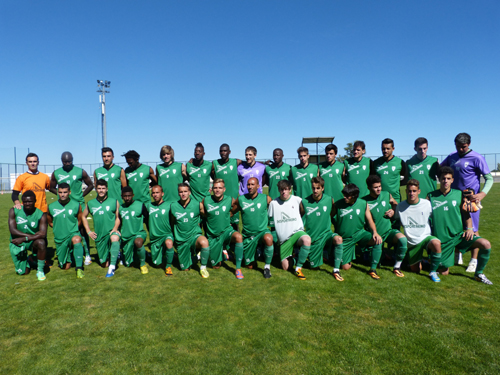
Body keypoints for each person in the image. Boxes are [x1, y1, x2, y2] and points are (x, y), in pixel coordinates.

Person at [428, 167, 492, 284]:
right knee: (444, 272)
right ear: (439, 179)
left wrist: (469, 229)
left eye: (448, 178)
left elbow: (466, 214)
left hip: (459, 237)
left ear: (452, 180)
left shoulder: (459, 195)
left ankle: (479, 274)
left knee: (485, 244)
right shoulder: (431, 196)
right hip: (443, 240)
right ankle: (428, 260)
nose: (445, 181)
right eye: (443, 178)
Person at [441, 132, 494, 272]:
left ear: (469, 144)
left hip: (471, 201)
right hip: (454, 200)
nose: (460, 149)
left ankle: (473, 260)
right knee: (457, 228)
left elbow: (489, 178)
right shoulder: (452, 156)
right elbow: (441, 168)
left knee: (473, 230)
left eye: (463, 147)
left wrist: (482, 193)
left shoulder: (477, 157)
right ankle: (458, 254)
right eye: (458, 146)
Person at [50, 151, 94, 264]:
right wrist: (61, 196)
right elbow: (51, 187)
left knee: (82, 229)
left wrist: (81, 195)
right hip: (63, 205)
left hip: (79, 204)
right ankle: (70, 252)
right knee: (67, 229)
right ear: (61, 161)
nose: (67, 163)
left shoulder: (80, 171)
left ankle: (88, 254)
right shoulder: (56, 173)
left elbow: (91, 184)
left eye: (69, 161)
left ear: (73, 160)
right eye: (65, 162)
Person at [332, 184, 383, 279]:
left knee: (377, 240)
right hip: (345, 238)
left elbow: (370, 220)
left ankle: (373, 269)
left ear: (354, 196)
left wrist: (375, 232)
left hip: (360, 234)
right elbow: (329, 218)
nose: (345, 197)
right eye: (344, 195)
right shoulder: (338, 204)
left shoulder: (363, 203)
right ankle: (352, 253)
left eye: (347, 196)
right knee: (345, 267)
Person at [395, 179, 442, 282]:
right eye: (410, 191)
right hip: (412, 242)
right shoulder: (400, 206)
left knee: (437, 244)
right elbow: (396, 220)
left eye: (414, 191)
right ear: (406, 191)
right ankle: (421, 260)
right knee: (416, 270)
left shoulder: (427, 204)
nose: (412, 193)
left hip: (425, 237)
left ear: (419, 191)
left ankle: (433, 272)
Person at [362, 175, 408, 277]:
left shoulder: (386, 194)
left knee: (403, 240)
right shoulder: (364, 201)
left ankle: (397, 267)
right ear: (369, 188)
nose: (378, 189)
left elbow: (395, 204)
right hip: (374, 234)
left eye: (379, 186)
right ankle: (372, 269)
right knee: (377, 250)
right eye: (375, 187)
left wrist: (393, 210)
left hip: (388, 231)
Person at [300, 177, 344, 280]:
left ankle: (336, 270)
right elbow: (300, 217)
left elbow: (332, 212)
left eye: (318, 188)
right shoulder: (305, 202)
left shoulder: (329, 199)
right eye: (313, 188)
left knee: (338, 239)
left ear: (323, 188)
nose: (315, 191)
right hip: (314, 238)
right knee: (314, 267)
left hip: (326, 234)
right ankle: (307, 255)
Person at [268, 180, 312, 280]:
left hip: (297, 232)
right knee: (286, 267)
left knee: (307, 240)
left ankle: (298, 267)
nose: (284, 192)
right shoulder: (273, 203)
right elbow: (269, 219)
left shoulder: (297, 200)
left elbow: (303, 211)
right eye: (281, 190)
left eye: (286, 189)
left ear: (290, 189)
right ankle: (296, 255)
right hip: (284, 240)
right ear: (278, 190)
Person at [200, 179, 244, 278]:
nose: (217, 190)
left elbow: (237, 205)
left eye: (220, 188)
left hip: (226, 231)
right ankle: (223, 253)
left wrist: (231, 213)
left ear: (224, 189)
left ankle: (238, 269)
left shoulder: (229, 199)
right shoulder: (206, 200)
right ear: (212, 189)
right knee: (216, 266)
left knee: (238, 237)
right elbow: (202, 211)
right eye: (215, 188)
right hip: (213, 236)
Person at [231, 177, 274, 278]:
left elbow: (276, 209)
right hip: (248, 235)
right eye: (248, 185)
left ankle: (267, 267)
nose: (250, 187)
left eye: (252, 184)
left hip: (262, 232)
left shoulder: (266, 198)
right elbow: (232, 212)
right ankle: (257, 251)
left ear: (258, 186)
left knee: (269, 238)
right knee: (250, 266)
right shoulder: (241, 199)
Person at [170, 183, 211, 277]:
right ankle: (195, 257)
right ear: (178, 193)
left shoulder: (197, 205)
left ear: (189, 192)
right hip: (181, 240)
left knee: (204, 242)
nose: (183, 194)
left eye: (185, 191)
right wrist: (175, 238)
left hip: (194, 236)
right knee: (185, 269)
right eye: (181, 192)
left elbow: (208, 216)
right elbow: (172, 223)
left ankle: (203, 268)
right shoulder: (173, 206)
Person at [81, 179, 121, 278]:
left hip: (111, 232)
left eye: (103, 188)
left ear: (107, 189)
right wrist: (88, 231)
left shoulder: (114, 201)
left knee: (114, 238)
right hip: (99, 235)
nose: (101, 190)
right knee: (104, 264)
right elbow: (83, 216)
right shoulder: (90, 203)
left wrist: (115, 228)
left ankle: (112, 267)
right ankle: (114, 254)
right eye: (99, 188)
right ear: (96, 189)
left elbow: (118, 217)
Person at [47, 183, 85, 278]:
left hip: (72, 234)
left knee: (77, 239)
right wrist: (58, 228)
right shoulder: (51, 206)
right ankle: (71, 253)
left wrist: (73, 229)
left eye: (65, 192)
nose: (62, 194)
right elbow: (50, 221)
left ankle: (79, 268)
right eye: (60, 192)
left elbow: (80, 220)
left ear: (69, 192)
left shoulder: (76, 205)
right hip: (60, 238)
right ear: (57, 193)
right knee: (65, 267)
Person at [8, 190, 48, 280]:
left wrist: (25, 238)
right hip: (17, 242)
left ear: (35, 201)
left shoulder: (41, 214)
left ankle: (40, 271)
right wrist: (27, 237)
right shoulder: (14, 210)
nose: (27, 204)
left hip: (30, 241)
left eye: (30, 201)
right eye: (25, 201)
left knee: (41, 243)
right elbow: (13, 230)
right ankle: (31, 260)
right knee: (24, 272)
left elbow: (43, 234)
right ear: (22, 201)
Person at [118, 186, 149, 274]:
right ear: (122, 196)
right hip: (126, 237)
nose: (127, 198)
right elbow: (119, 222)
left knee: (138, 242)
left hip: (138, 233)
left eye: (129, 196)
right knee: (128, 264)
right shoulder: (120, 208)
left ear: (133, 195)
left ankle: (143, 265)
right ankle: (144, 254)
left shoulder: (140, 205)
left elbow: (147, 219)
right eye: (125, 196)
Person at [146, 185, 175, 277]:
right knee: (157, 265)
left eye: (157, 192)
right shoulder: (148, 206)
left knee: (169, 243)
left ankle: (168, 266)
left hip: (166, 234)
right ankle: (152, 254)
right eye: (153, 193)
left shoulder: (169, 205)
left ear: (162, 194)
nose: (155, 195)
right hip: (155, 237)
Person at [212, 144, 241, 230]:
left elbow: (249, 162)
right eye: (221, 151)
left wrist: (264, 163)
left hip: (233, 200)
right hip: (220, 200)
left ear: (229, 152)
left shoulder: (236, 162)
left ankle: (237, 243)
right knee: (221, 224)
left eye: (225, 151)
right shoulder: (215, 164)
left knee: (235, 225)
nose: (223, 153)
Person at [373, 139, 408, 203]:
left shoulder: (400, 162)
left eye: (388, 149)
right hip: (379, 199)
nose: (385, 151)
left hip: (395, 198)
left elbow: (404, 179)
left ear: (393, 149)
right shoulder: (375, 163)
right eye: (383, 149)